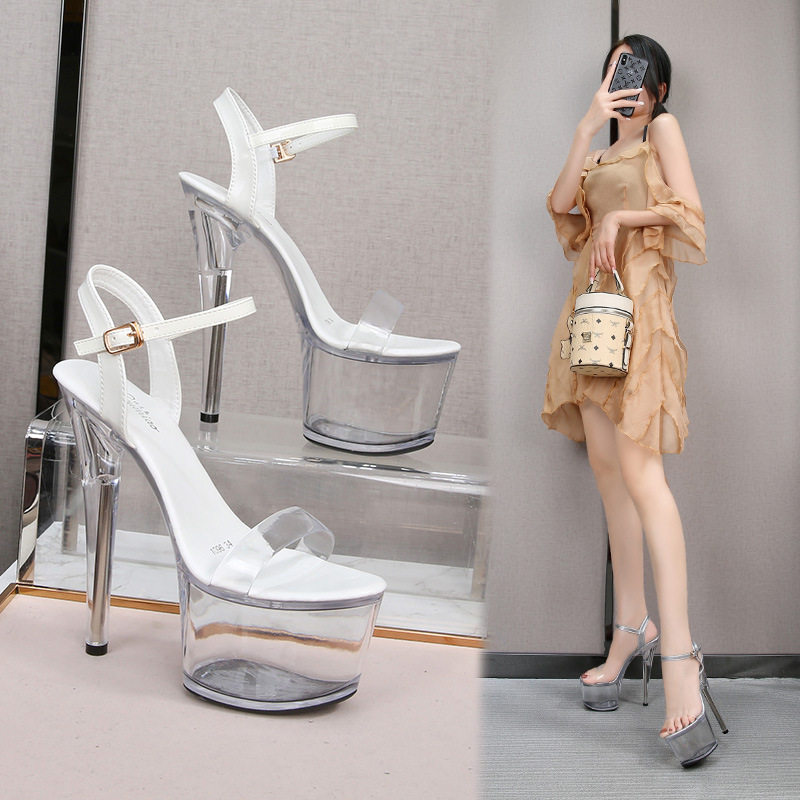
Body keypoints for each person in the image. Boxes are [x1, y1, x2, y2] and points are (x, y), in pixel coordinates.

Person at [542, 34, 724, 762]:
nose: (629, 83)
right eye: (617, 69)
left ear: (660, 87)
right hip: (592, 319)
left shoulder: (662, 134)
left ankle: (679, 658)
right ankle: (630, 629)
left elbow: (692, 213)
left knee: (645, 479)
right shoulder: (598, 153)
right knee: (609, 475)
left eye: (639, 71)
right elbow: (561, 205)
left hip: (640, 315)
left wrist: (622, 218)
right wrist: (586, 125)